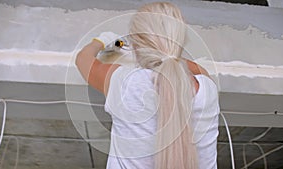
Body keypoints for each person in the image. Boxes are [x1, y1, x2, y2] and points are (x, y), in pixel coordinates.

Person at [76, 2, 219, 169]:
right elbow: (197, 70)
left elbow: (82, 60)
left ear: (136, 45)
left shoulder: (127, 84)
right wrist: (167, 55)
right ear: (180, 41)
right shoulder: (207, 90)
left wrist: (102, 41)